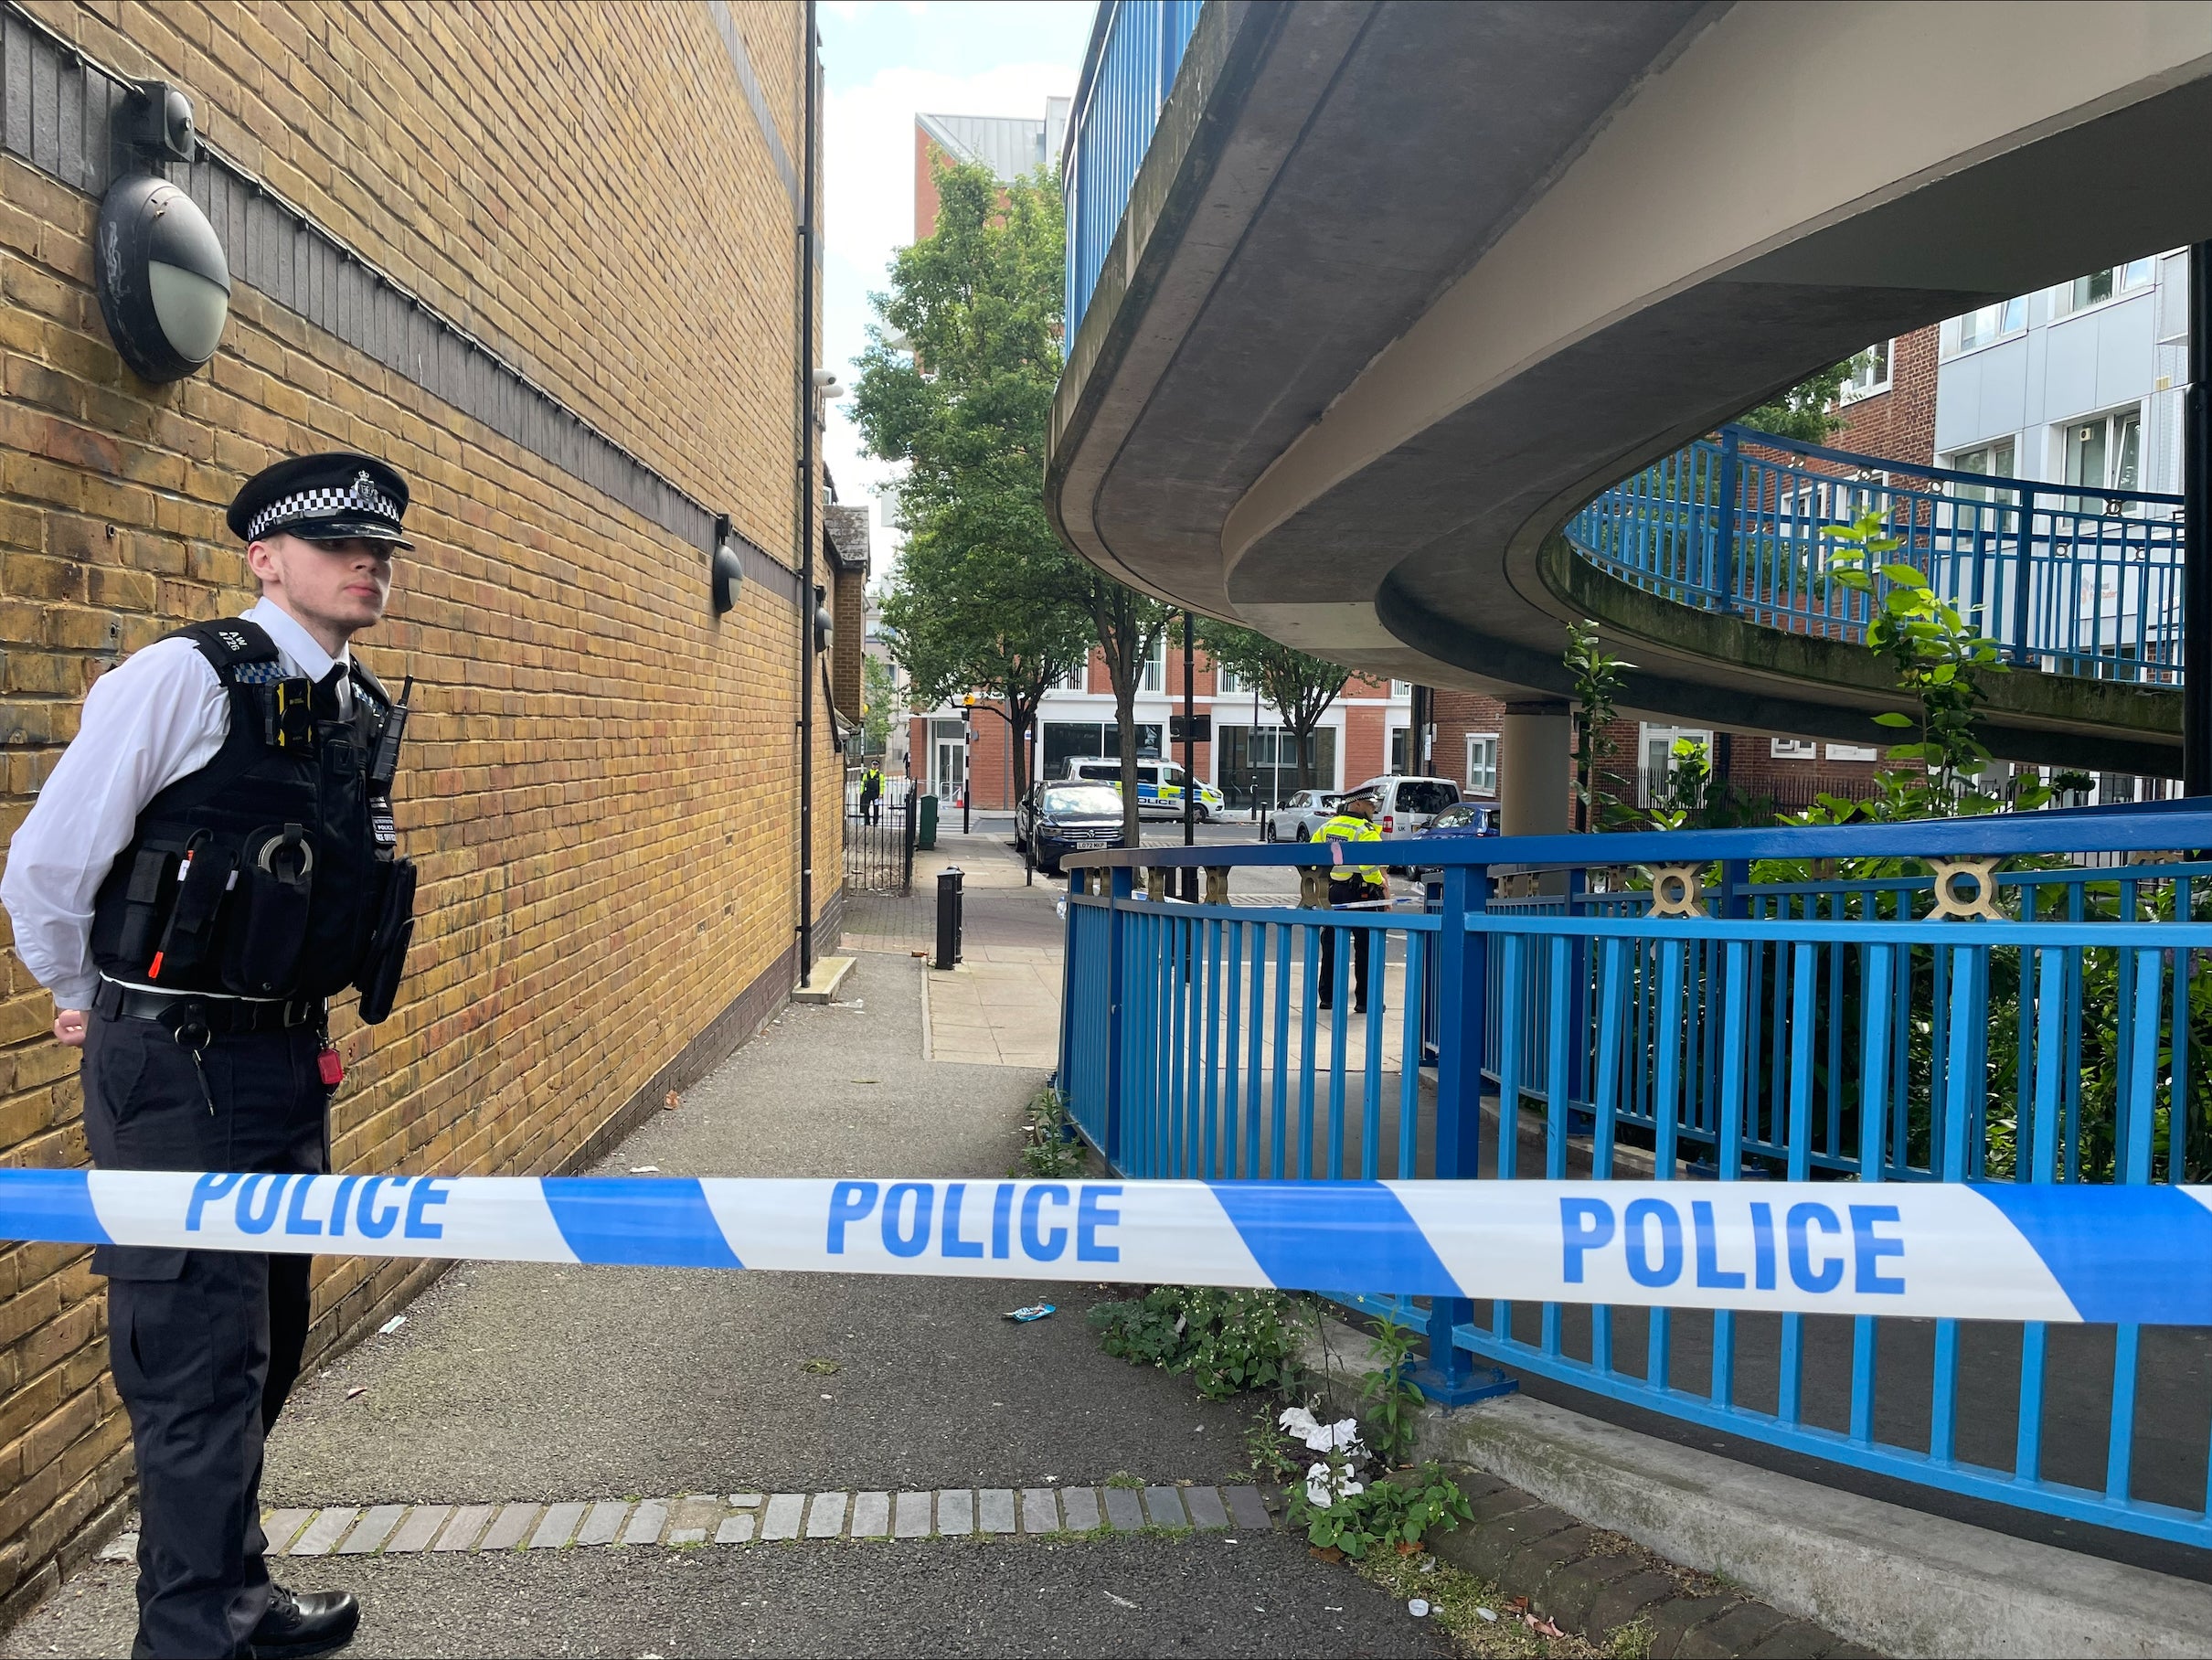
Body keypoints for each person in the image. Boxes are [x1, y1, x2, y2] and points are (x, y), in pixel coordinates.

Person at [0, 453, 424, 1660]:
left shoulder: (345, 704)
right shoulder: (181, 679)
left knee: (264, 1345)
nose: (370, 564)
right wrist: (94, 999)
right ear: (263, 559)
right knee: (193, 1368)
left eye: (384, 551)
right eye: (344, 544)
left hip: (282, 1065)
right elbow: (44, 870)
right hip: (175, 1071)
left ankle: (234, 1595)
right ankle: (188, 1636)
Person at [1312, 794, 1387, 1013]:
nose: (1374, 809)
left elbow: (1311, 854)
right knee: (1366, 947)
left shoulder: (1328, 827)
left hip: (1333, 891)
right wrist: (1380, 883)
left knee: (1331, 944)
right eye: (1371, 805)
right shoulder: (1365, 831)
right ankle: (1365, 1001)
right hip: (1362, 892)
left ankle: (1328, 997)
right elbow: (1370, 866)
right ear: (1357, 804)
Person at [860, 760, 884, 825]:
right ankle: (867, 822)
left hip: (876, 793)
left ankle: (875, 822)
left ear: (878, 766)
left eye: (876, 764)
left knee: (876, 808)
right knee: (866, 807)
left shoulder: (880, 775)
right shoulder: (867, 774)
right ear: (871, 765)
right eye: (873, 764)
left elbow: (882, 785)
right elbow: (863, 783)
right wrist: (861, 791)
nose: (874, 766)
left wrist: (881, 793)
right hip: (867, 793)